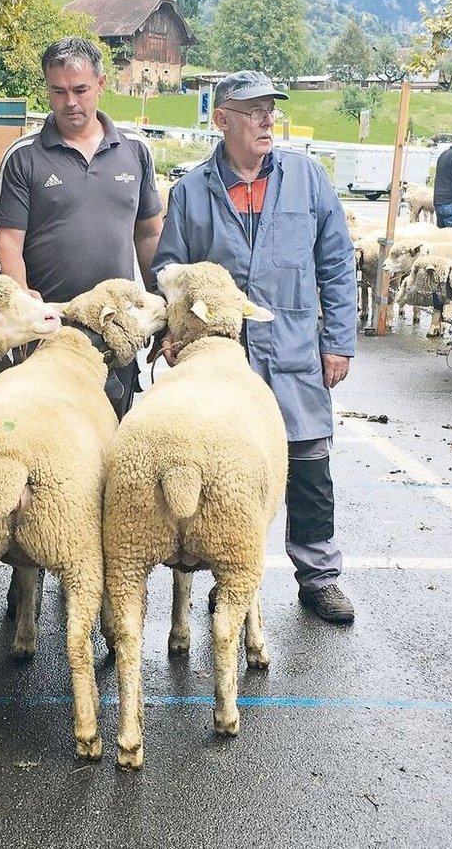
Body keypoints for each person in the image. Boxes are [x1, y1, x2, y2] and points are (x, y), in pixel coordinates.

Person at [151, 70, 359, 625]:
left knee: (309, 465)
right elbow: (169, 270)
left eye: (270, 110)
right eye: (253, 112)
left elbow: (337, 263)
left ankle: (319, 577)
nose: (267, 120)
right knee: (224, 471)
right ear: (222, 120)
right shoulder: (192, 191)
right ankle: (230, 578)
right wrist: (173, 330)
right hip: (221, 360)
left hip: (293, 350)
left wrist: (338, 340)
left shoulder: (306, 178)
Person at [0, 36, 163, 419]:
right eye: (59, 91)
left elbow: (150, 234)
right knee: (48, 439)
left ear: (101, 84)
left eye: (80, 90)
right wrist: (26, 308)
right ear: (47, 90)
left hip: (117, 331)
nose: (70, 101)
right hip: (52, 330)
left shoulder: (135, 150)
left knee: (110, 435)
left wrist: (158, 307)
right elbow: (7, 243)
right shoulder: (23, 157)